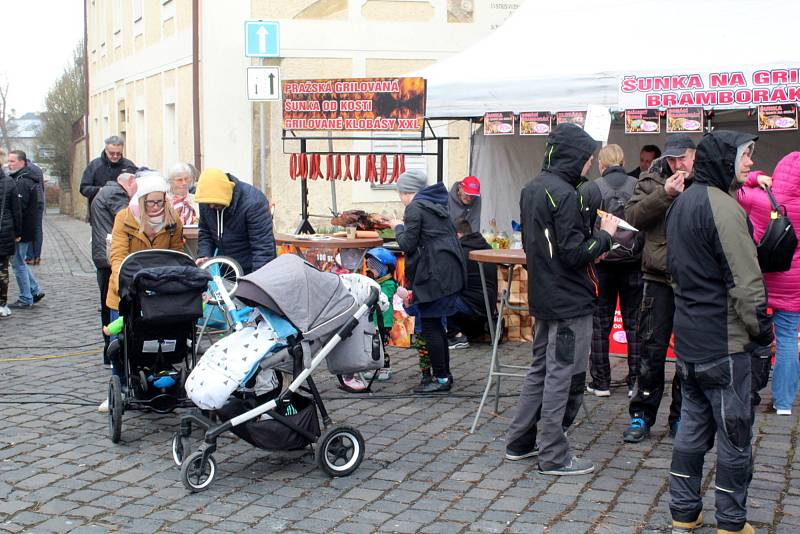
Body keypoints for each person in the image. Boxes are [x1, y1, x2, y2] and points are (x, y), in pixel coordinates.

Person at [665, 130, 772, 534]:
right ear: (724, 159)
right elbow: (746, 284)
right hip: (724, 343)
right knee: (734, 435)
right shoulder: (723, 208)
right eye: (745, 156)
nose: (749, 163)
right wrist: (762, 335)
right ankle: (730, 521)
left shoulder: (680, 204)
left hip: (691, 341)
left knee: (691, 430)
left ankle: (683, 513)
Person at [505, 123, 618, 475]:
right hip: (570, 301)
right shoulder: (564, 194)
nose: (588, 166)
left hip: (545, 294)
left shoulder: (532, 188)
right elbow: (572, 253)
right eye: (587, 160)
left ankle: (520, 442)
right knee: (562, 375)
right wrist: (604, 237)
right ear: (575, 157)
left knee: (541, 369)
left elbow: (552, 248)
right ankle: (553, 454)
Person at [622, 134, 696, 443]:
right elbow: (631, 217)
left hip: (693, 281)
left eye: (684, 158)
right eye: (674, 158)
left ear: (695, 157)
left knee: (689, 355)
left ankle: (681, 416)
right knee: (651, 350)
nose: (679, 164)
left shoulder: (706, 183)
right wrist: (664, 194)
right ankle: (641, 414)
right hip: (657, 278)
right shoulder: (650, 180)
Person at [393, 169, 466, 394]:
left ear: (408, 192)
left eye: (401, 192)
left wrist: (397, 226)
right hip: (448, 270)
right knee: (437, 325)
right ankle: (444, 375)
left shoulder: (415, 208)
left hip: (434, 273)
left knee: (432, 327)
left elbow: (407, 243)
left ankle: (441, 378)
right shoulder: (436, 204)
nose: (400, 197)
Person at [738, 152, 800, 416]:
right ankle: (784, 402)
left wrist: (755, 177)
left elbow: (734, 187)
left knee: (751, 335)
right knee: (787, 339)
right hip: (794, 281)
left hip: (760, 278)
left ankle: (747, 391)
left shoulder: (758, 198)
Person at [588, 144, 644, 398]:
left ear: (602, 163)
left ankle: (600, 382)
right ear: (622, 160)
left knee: (600, 323)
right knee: (634, 323)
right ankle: (635, 381)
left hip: (603, 262)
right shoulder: (637, 184)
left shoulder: (595, 187)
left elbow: (588, 225)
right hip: (634, 263)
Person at [90, 165, 138, 366]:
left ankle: (111, 353)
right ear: (129, 182)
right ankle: (113, 354)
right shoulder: (116, 195)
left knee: (107, 304)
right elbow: (130, 219)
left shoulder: (107, 191)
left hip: (104, 254)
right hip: (110, 257)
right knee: (112, 304)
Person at [194, 168, 275, 275]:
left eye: (214, 202)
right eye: (208, 203)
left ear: (225, 194)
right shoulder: (206, 200)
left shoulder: (254, 202)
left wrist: (255, 282)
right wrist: (204, 254)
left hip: (253, 268)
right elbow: (206, 231)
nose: (211, 206)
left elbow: (263, 248)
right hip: (228, 269)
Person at [446, 217, 497, 349]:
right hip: (489, 307)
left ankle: (456, 336)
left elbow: (450, 283)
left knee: (438, 298)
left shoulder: (460, 252)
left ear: (457, 235)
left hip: (473, 307)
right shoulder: (487, 247)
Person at [6, 150, 45, 308]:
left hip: (21, 232)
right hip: (25, 230)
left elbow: (19, 210)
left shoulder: (22, 182)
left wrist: (17, 233)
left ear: (22, 162)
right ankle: (34, 290)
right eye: (8, 161)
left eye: (12, 161)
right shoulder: (23, 179)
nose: (9, 164)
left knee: (17, 264)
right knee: (20, 261)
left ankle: (26, 297)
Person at [80, 135, 136, 218]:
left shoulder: (129, 166)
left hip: (123, 214)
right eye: (112, 153)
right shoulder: (94, 166)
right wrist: (100, 190)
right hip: (100, 214)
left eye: (118, 154)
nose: (115, 156)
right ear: (106, 150)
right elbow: (84, 188)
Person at [0, 163, 22, 318]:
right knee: (2, 270)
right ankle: (2, 304)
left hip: (5, 231)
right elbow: (16, 210)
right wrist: (18, 232)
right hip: (5, 232)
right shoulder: (9, 182)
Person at [24, 161, 45, 265]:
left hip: (30, 201)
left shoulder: (24, 170)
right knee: (38, 228)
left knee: (28, 228)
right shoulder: (38, 169)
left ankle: (30, 256)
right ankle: (37, 256)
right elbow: (42, 187)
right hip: (40, 200)